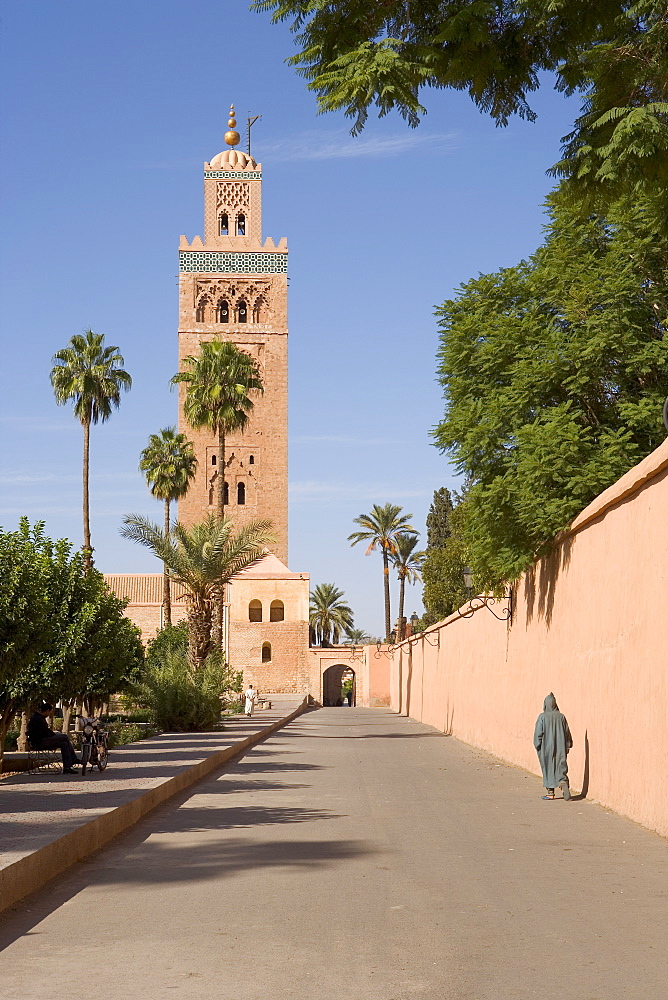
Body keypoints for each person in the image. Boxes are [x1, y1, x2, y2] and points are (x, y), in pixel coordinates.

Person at [533, 693, 573, 800]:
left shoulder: (542, 717)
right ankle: (563, 781)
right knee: (561, 765)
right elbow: (567, 732)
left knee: (548, 767)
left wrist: (537, 745)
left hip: (546, 748)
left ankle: (550, 793)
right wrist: (568, 745)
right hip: (561, 747)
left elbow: (538, 734)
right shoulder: (561, 717)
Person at [27, 702, 80, 775]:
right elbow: (45, 732)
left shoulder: (38, 717)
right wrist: (54, 735)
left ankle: (67, 767)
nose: (49, 714)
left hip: (42, 740)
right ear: (47, 711)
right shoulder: (37, 719)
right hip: (39, 742)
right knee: (64, 737)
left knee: (64, 744)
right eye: (50, 712)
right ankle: (73, 759)